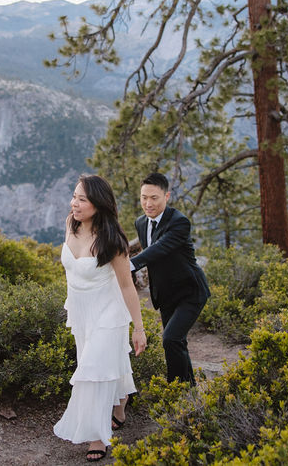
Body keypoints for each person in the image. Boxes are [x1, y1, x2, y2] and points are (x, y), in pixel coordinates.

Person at [54, 174, 147, 462]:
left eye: (82, 199)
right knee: (102, 362)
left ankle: (97, 435)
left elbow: (126, 286)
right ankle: (121, 403)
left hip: (109, 311)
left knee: (93, 369)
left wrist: (139, 328)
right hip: (81, 311)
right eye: (74, 196)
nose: (75, 203)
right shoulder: (70, 224)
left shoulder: (113, 240)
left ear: (98, 203)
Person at [129, 172, 210, 385]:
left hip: (190, 291)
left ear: (167, 196)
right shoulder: (140, 223)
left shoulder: (179, 222)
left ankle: (177, 391)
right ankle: (187, 389)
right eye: (144, 197)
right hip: (165, 294)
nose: (148, 203)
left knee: (171, 339)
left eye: (154, 197)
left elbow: (160, 248)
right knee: (177, 342)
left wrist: (129, 264)